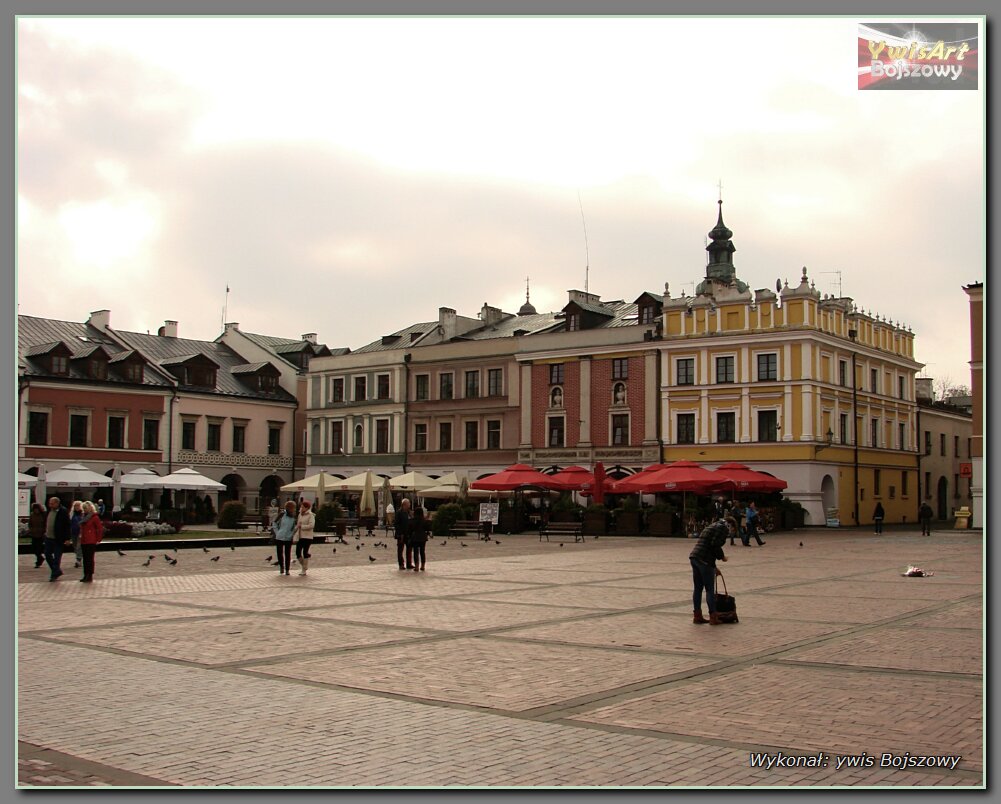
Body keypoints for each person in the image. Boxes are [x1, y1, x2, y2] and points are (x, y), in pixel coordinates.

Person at [690, 519, 729, 625]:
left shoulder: (711, 527)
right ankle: (713, 616)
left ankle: (697, 616)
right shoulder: (723, 528)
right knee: (709, 589)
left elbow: (707, 547)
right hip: (704, 561)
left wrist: (714, 567)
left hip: (695, 557)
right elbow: (714, 545)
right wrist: (722, 557)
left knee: (698, 588)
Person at [44, 496, 70, 582]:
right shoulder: (49, 511)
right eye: (49, 503)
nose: (50, 505)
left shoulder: (63, 511)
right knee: (47, 555)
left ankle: (54, 573)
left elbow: (67, 525)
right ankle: (56, 571)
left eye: (52, 503)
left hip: (58, 538)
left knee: (57, 557)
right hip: (48, 537)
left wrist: (67, 538)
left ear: (57, 503)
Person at [78, 500, 104, 583]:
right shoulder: (83, 517)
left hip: (91, 540)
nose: (85, 510)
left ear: (90, 508)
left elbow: (99, 529)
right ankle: (85, 574)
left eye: (86, 508)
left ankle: (89, 574)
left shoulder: (94, 517)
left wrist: (98, 539)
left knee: (89, 558)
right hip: (84, 540)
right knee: (85, 558)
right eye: (84, 508)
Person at [271, 500, 298, 575]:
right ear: (289, 508)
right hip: (280, 537)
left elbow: (294, 526)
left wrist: (292, 533)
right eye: (293, 508)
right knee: (280, 553)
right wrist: (277, 533)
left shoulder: (294, 516)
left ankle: (287, 569)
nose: (294, 509)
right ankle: (281, 567)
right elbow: (274, 523)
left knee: (287, 553)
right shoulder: (282, 514)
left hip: (288, 537)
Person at [295, 499, 316, 576]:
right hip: (300, 536)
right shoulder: (300, 514)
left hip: (308, 536)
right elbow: (297, 525)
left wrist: (302, 526)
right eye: (301, 507)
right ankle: (304, 565)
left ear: (307, 508)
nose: (301, 508)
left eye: (303, 507)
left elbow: (311, 525)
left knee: (305, 552)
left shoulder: (311, 515)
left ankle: (303, 570)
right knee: (297, 552)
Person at [409, 505, 429, 572]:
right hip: (423, 537)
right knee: (422, 552)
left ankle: (416, 566)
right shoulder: (424, 520)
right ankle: (423, 566)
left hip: (415, 537)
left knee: (415, 552)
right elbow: (427, 528)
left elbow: (410, 529)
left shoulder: (413, 520)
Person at [395, 498, 413, 570]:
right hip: (401, 535)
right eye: (409, 503)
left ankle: (409, 563)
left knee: (409, 549)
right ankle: (401, 564)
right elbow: (396, 524)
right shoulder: (399, 512)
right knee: (400, 550)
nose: (410, 505)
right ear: (404, 504)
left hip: (408, 534)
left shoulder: (409, 512)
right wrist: (400, 533)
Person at [28, 502, 46, 568]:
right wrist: (31, 530)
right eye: (34, 509)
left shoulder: (43, 515)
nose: (36, 510)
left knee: (38, 548)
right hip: (33, 533)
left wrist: (44, 531)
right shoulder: (32, 515)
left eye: (37, 509)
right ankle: (40, 558)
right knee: (34, 548)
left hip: (41, 534)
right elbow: (30, 523)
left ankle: (38, 561)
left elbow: (45, 524)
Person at [69, 500, 84, 569]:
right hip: (73, 532)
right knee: (75, 547)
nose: (77, 507)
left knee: (79, 546)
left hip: (80, 532)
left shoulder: (83, 514)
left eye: (78, 506)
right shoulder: (72, 514)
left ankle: (78, 560)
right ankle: (79, 557)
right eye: (75, 506)